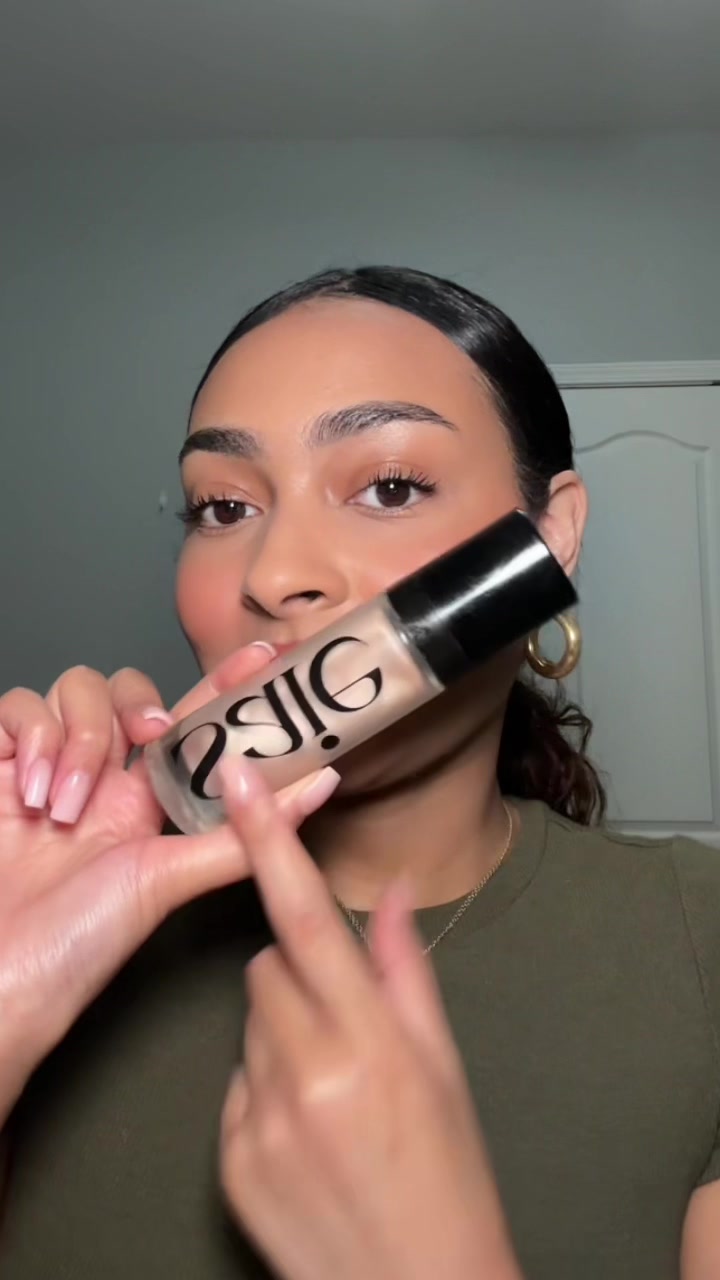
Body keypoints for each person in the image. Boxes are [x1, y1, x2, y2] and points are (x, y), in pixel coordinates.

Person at [0, 266, 718, 1280]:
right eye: (222, 506)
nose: (273, 573)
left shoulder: (698, 941)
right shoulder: (74, 925)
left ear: (549, 538)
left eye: (389, 486)